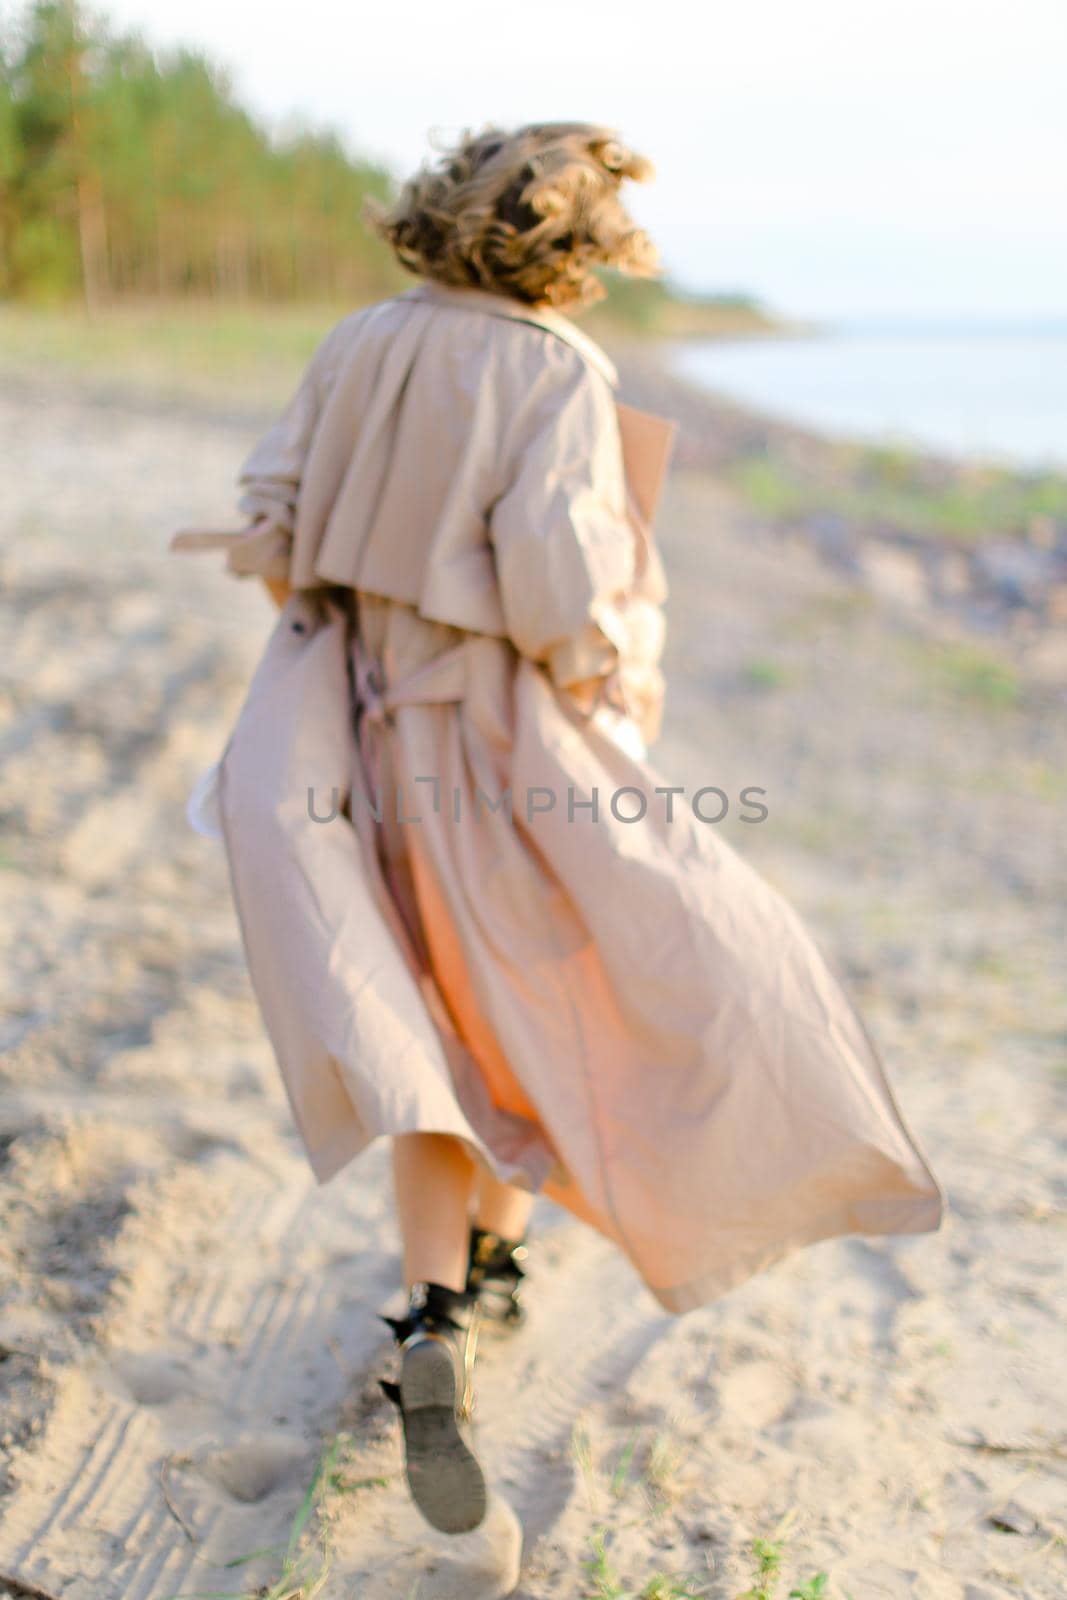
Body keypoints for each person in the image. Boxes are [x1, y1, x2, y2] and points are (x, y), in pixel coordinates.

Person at [172, 121, 943, 1538]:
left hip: (358, 727)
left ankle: (431, 1313)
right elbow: (557, 592)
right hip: (497, 743)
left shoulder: (357, 341)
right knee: (555, 996)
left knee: (419, 1022)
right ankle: (487, 1282)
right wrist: (614, 681)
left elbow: (274, 525)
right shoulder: (555, 372)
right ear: (580, 254)